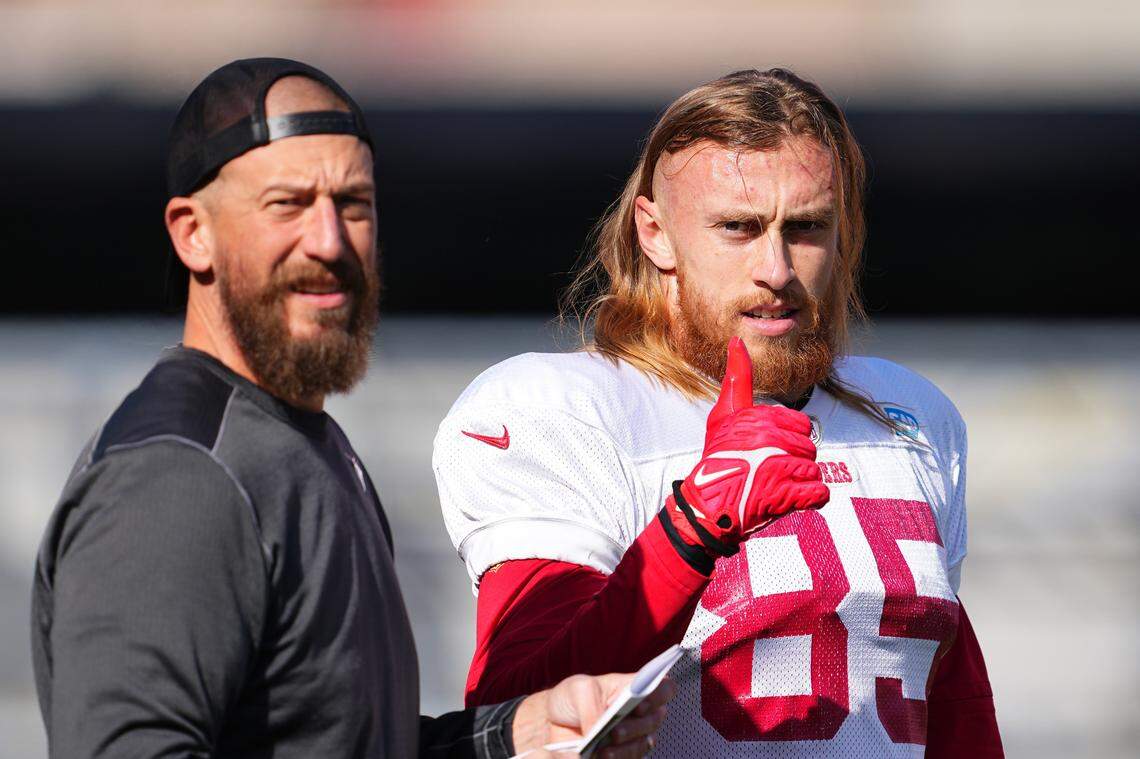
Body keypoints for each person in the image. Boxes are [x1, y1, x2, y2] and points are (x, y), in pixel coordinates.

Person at [31, 58, 671, 759]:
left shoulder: (300, 444)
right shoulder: (177, 476)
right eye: (288, 205)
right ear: (192, 234)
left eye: (354, 204)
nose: (330, 242)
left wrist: (513, 734)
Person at [432, 68, 1003, 756]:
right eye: (738, 226)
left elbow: (951, 701)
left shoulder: (912, 418)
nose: (776, 267)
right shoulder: (559, 410)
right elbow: (517, 710)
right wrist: (692, 527)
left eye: (807, 227)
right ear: (656, 233)